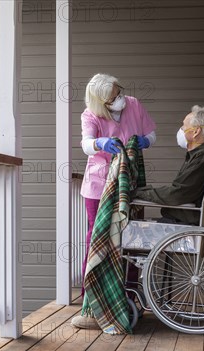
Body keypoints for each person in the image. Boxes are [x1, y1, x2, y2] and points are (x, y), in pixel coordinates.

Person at [72, 73, 156, 330]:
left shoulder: (133, 104)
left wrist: (144, 142)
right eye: (112, 98)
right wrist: (99, 143)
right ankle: (91, 302)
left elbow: (152, 135)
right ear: (101, 103)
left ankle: (128, 298)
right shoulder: (90, 114)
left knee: (130, 239)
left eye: (119, 93)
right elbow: (86, 143)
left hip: (128, 184)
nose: (119, 100)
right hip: (99, 185)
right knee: (97, 239)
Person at [135, 105, 204, 225]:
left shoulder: (203, 157)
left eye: (184, 126)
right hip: (180, 222)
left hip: (180, 224)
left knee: (125, 232)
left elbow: (177, 194)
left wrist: (136, 193)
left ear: (196, 131)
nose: (181, 129)